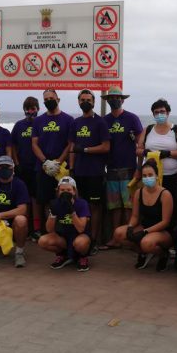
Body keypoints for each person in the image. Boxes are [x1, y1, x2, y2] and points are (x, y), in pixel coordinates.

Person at [135, 98, 177, 270]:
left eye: (162, 112)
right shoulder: (148, 130)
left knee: (171, 216)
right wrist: (145, 153)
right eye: (156, 112)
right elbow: (138, 149)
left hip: (170, 177)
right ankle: (148, 247)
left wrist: (168, 153)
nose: (160, 115)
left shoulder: (176, 130)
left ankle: (167, 248)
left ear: (168, 112)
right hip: (150, 178)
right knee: (150, 212)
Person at [68, 89, 110, 251]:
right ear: (78, 102)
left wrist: (85, 150)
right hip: (78, 172)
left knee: (95, 206)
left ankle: (94, 240)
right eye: (82, 100)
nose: (85, 102)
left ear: (93, 102)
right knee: (80, 205)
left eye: (88, 100)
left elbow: (106, 147)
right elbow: (72, 148)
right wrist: (71, 168)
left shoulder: (100, 122)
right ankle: (81, 237)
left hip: (95, 172)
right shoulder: (75, 123)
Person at [101, 86, 143, 249]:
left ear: (122, 100)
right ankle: (115, 238)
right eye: (111, 98)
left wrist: (139, 168)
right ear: (107, 101)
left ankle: (128, 238)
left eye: (117, 98)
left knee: (129, 206)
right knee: (114, 206)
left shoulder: (132, 118)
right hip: (111, 169)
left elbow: (140, 145)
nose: (114, 100)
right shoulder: (104, 120)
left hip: (129, 169)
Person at [112, 160, 173, 271]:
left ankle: (163, 254)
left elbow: (165, 222)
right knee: (119, 234)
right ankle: (142, 253)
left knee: (146, 243)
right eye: (144, 176)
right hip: (144, 226)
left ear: (157, 175)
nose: (147, 178)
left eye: (150, 175)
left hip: (162, 231)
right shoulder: (138, 193)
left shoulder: (165, 194)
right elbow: (135, 216)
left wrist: (145, 232)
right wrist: (130, 227)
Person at [31, 89, 74, 230]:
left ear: (58, 99)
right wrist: (45, 162)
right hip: (43, 167)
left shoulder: (68, 120)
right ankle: (48, 231)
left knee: (63, 200)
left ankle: (62, 231)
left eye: (51, 98)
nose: (49, 101)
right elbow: (34, 144)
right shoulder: (38, 121)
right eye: (46, 99)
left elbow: (70, 144)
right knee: (45, 202)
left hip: (61, 169)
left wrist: (58, 162)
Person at [38, 177, 92, 272]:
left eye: (69, 190)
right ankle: (63, 255)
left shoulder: (82, 203)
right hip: (63, 236)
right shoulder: (55, 203)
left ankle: (82, 257)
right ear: (58, 191)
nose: (65, 192)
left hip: (79, 235)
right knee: (43, 241)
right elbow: (49, 230)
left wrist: (72, 211)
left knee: (80, 243)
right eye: (62, 190)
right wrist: (52, 214)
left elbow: (81, 229)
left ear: (74, 191)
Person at [11, 96, 41, 239]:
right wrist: (16, 164)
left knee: (36, 198)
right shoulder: (19, 125)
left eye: (33, 109)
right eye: (27, 109)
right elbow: (13, 146)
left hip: (37, 167)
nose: (30, 111)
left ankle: (36, 228)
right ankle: (25, 228)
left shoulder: (41, 123)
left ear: (38, 109)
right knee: (23, 198)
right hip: (22, 167)